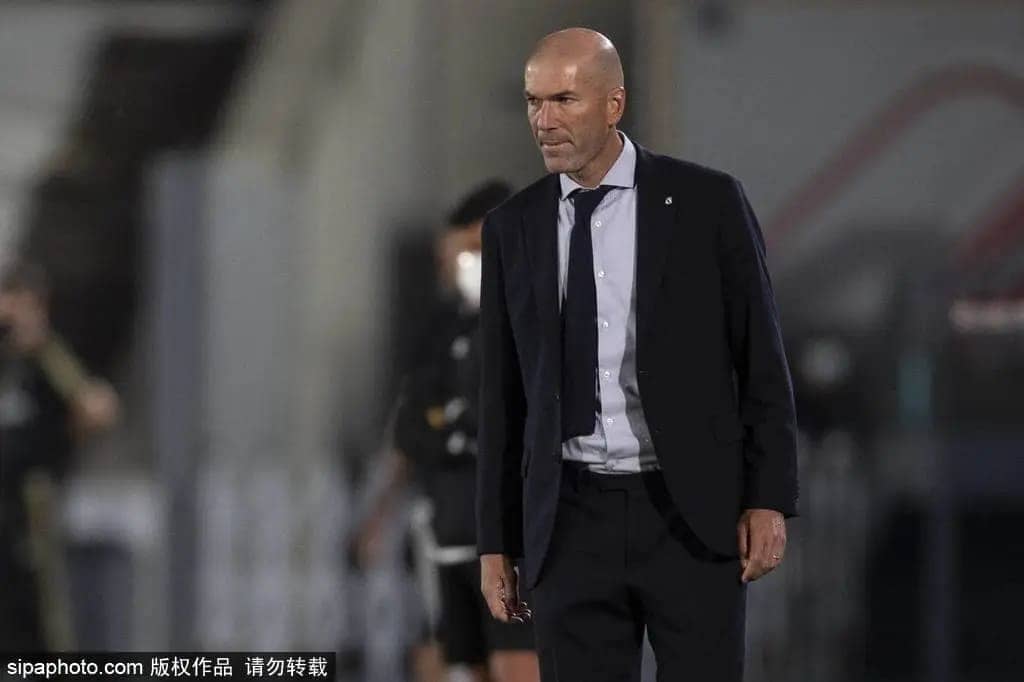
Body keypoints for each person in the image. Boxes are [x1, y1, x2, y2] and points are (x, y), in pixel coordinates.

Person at [475, 28, 799, 681]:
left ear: (614, 103)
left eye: (564, 100)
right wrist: (496, 540)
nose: (544, 121)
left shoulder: (707, 203)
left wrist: (769, 498)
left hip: (688, 513)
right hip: (567, 521)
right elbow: (502, 395)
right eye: (534, 102)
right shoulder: (513, 227)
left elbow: (760, 358)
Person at [358, 182, 540, 682]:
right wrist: (381, 510)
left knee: (515, 661)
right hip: (447, 525)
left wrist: (457, 427)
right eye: (459, 254)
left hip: (513, 533)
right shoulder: (442, 327)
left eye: (476, 250)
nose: (464, 265)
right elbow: (411, 425)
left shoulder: (535, 318)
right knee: (444, 655)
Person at [0, 261, 120, 651]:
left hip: (32, 511)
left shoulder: (49, 364)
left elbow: (99, 409)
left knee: (41, 624)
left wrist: (41, 347)